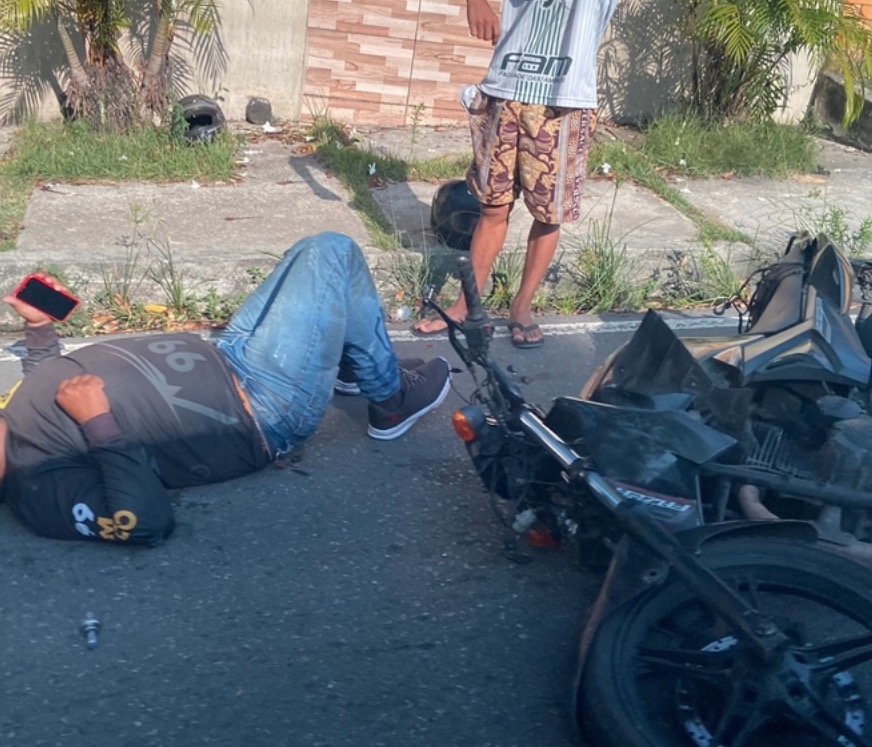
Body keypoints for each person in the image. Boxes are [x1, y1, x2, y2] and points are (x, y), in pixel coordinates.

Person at [0, 232, 451, 545]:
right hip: (261, 407)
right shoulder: (38, 492)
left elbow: (45, 387)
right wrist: (98, 423)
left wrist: (38, 328)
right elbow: (142, 522)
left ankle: (353, 362)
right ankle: (389, 399)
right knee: (331, 253)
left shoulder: (10, 421)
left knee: (312, 255)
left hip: (230, 354)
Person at [413, 0, 618, 348]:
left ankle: (521, 307)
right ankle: (467, 305)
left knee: (548, 213)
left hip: (564, 100)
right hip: (505, 88)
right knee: (492, 207)